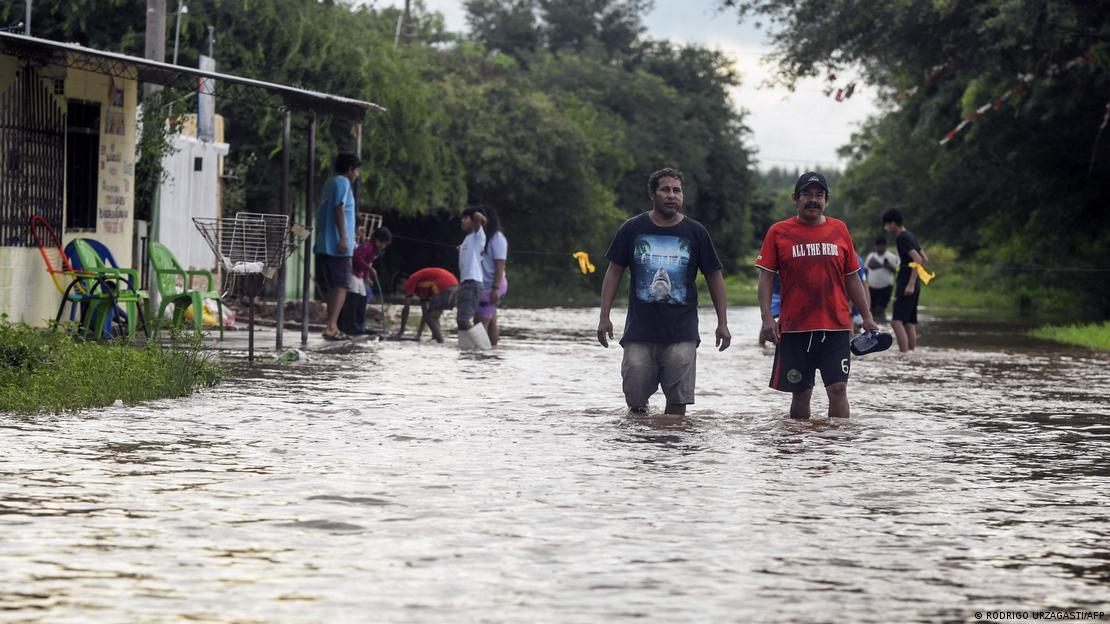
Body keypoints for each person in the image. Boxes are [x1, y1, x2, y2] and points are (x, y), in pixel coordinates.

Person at [597, 167, 731, 417]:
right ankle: (644, 450)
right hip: (639, 331)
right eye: (665, 190)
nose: (672, 195)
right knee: (636, 403)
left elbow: (714, 276)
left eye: (677, 190)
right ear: (652, 194)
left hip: (682, 332)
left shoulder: (696, 232)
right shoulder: (632, 228)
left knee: (677, 406)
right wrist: (604, 316)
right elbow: (614, 271)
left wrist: (722, 323)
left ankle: (672, 452)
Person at [756, 171, 877, 419]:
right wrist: (767, 317)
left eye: (819, 195)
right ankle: (800, 452)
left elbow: (852, 277)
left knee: (838, 388)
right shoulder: (778, 232)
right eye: (807, 195)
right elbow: (766, 277)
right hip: (795, 328)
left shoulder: (839, 229)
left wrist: (867, 317)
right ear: (795, 198)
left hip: (836, 327)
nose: (813, 200)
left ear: (826, 200)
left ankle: (836, 448)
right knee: (801, 392)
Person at [313, 152, 359, 341]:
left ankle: (331, 325)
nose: (357, 175)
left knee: (334, 286)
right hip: (337, 246)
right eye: (356, 170)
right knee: (342, 286)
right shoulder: (343, 183)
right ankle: (332, 325)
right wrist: (343, 238)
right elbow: (338, 208)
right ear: (350, 169)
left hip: (325, 244)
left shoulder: (330, 183)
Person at [882, 208, 929, 352]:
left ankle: (903, 355)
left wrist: (910, 283)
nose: (886, 228)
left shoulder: (902, 237)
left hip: (907, 283)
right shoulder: (911, 235)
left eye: (887, 224)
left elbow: (918, 260)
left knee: (896, 321)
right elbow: (925, 259)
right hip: (914, 283)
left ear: (894, 223)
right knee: (908, 322)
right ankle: (910, 354)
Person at [339, 226, 392, 336]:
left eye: (385, 244)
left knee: (362, 298)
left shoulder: (375, 251)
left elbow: (367, 263)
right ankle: (349, 325)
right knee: (353, 298)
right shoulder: (368, 246)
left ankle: (359, 324)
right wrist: (368, 268)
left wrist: (366, 276)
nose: (382, 246)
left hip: (360, 275)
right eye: (381, 242)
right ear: (376, 239)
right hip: (353, 273)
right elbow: (357, 258)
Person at [395, 267, 459, 343]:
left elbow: (406, 309)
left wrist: (401, 331)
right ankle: (436, 338)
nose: (402, 292)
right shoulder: (421, 287)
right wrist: (418, 335)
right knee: (433, 316)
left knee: (431, 318)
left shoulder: (411, 280)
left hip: (444, 283)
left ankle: (441, 342)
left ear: (403, 282)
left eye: (399, 289)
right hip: (454, 283)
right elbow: (425, 313)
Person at [476, 205, 509, 346]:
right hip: (486, 285)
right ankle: (492, 353)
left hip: (494, 286)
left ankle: (479, 354)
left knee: (479, 322)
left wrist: (495, 288)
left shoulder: (497, 238)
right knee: (491, 320)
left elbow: (500, 265)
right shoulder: (483, 238)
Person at [456, 206, 487, 335]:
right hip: (466, 283)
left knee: (463, 321)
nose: (462, 221)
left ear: (473, 221)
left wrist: (475, 214)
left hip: (472, 282)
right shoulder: (468, 239)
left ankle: (483, 348)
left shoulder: (478, 236)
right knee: (461, 322)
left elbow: (479, 217)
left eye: (466, 218)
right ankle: (467, 352)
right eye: (462, 218)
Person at [864, 237, 899, 323]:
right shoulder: (871, 256)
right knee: (871, 308)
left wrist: (888, 266)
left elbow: (897, 270)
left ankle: (882, 324)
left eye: (882, 246)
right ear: (875, 247)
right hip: (872, 287)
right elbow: (866, 269)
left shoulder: (891, 257)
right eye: (878, 246)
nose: (880, 248)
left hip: (885, 287)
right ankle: (874, 326)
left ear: (886, 246)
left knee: (880, 308)